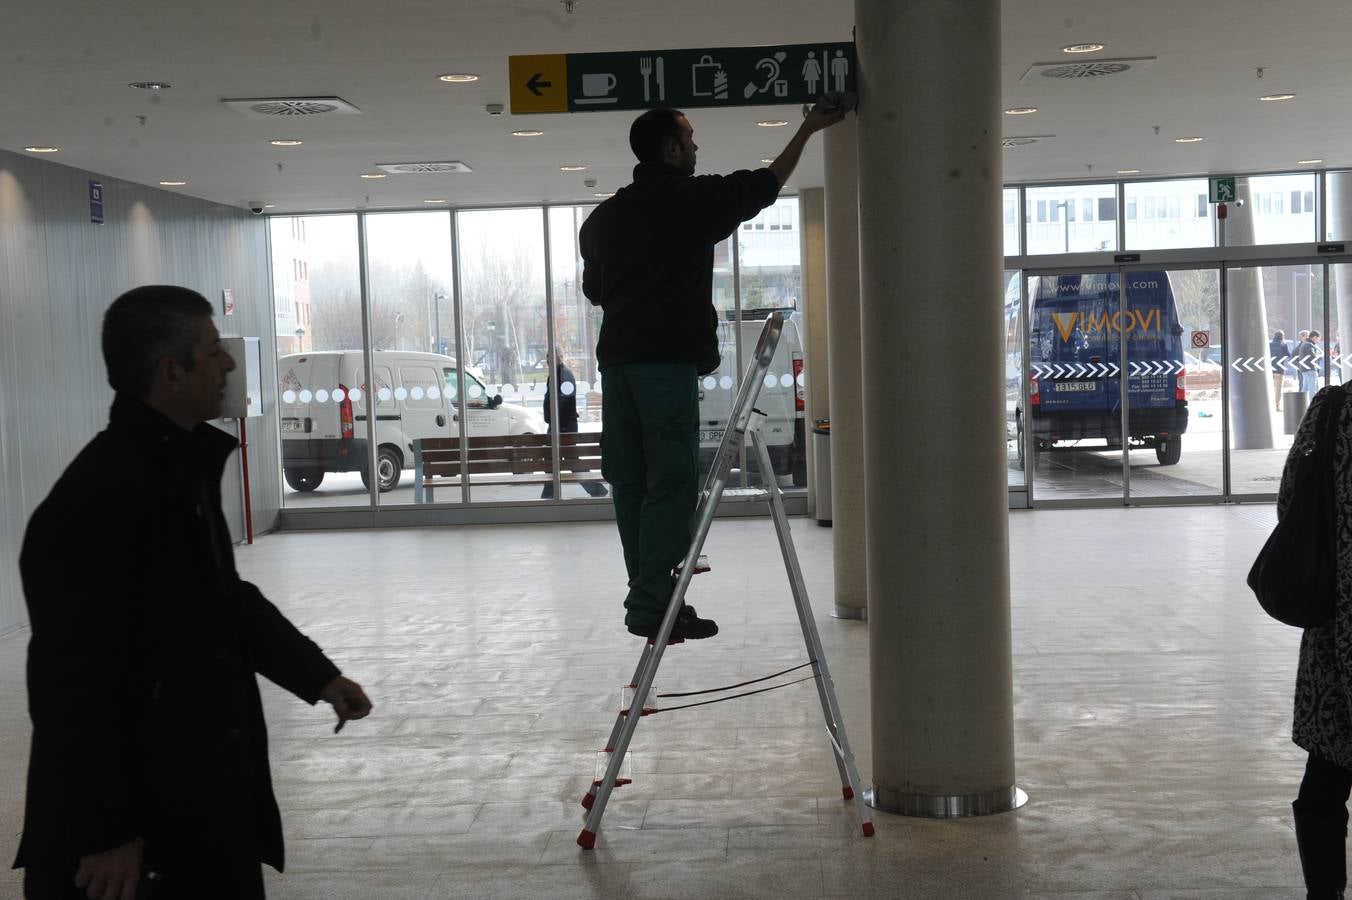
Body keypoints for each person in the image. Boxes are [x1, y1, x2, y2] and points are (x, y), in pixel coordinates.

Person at [15, 286, 372, 900]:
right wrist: (106, 830)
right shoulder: (101, 497)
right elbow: (71, 682)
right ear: (170, 373)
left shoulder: (174, 470)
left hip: (195, 802)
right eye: (214, 352)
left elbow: (222, 599)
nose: (229, 364)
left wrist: (317, 676)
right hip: (139, 838)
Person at [580, 100, 845, 641]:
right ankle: (653, 601)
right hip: (665, 364)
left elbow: (595, 291)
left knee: (631, 482)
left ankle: (651, 600)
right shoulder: (690, 201)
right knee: (672, 484)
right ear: (672, 148)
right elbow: (765, 183)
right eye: (691, 138)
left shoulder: (602, 218)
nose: (697, 147)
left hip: (618, 367)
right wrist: (809, 128)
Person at [1285, 381, 1352, 898]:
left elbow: (1292, 500)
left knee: (1326, 781)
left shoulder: (1332, 408)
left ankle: (1323, 893)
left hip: (1338, 626)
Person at [541, 349, 608, 499]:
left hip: (562, 425)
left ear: (559, 357)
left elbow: (563, 400)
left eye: (550, 357)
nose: (547, 361)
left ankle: (595, 489)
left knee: (568, 459)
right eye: (547, 358)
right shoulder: (557, 374)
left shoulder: (563, 374)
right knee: (555, 458)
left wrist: (558, 424)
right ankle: (549, 492)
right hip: (560, 424)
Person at [1271, 330, 1288, 411]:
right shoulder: (1283, 345)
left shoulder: (1269, 344)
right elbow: (1288, 355)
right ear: (1282, 336)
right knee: (1278, 389)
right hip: (1279, 369)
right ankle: (1277, 406)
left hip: (1270, 369)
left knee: (1270, 388)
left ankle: (1269, 405)